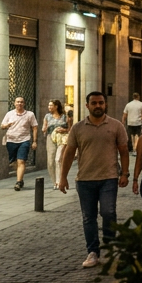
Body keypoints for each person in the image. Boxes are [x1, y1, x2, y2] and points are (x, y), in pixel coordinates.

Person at [59, 91, 130, 268]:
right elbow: (69, 153)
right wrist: (63, 177)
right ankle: (93, 252)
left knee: (108, 212)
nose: (97, 106)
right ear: (87, 105)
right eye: (94, 103)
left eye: (100, 103)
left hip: (109, 178)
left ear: (105, 104)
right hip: (84, 179)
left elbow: (124, 151)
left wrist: (125, 174)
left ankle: (111, 247)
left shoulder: (116, 126)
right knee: (88, 217)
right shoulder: (78, 128)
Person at [2, 97, 39, 190]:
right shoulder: (9, 114)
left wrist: (34, 141)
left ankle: (18, 182)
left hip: (24, 140)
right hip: (11, 141)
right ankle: (21, 179)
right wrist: (7, 125)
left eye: (22, 102)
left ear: (24, 104)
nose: (19, 103)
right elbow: (2, 126)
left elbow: (34, 127)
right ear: (14, 103)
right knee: (14, 162)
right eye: (18, 102)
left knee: (21, 161)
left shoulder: (30, 114)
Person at [43, 100, 71, 182]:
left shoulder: (64, 116)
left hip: (62, 139)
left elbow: (69, 129)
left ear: (56, 106)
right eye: (48, 105)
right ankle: (54, 181)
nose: (49, 107)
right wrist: (44, 129)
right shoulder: (47, 116)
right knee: (51, 162)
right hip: (51, 138)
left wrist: (63, 129)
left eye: (51, 105)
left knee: (58, 159)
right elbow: (44, 128)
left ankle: (59, 181)